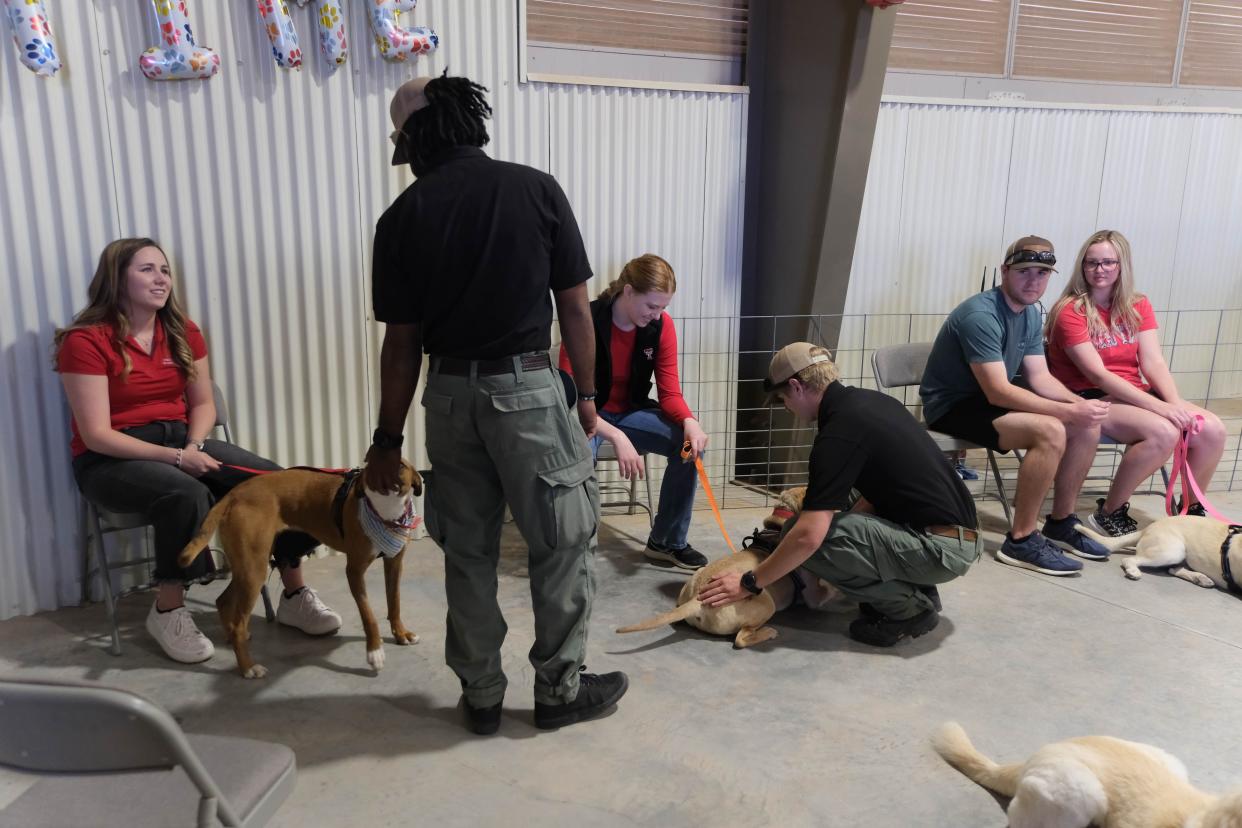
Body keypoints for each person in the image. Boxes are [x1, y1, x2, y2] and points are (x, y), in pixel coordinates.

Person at [363, 74, 627, 736]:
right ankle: (559, 691)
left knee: (469, 550)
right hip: (529, 390)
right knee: (561, 539)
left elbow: (402, 344)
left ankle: (481, 696)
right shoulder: (535, 189)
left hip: (447, 395)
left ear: (416, 139)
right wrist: (588, 398)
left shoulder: (402, 217)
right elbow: (574, 310)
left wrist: (386, 439)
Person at [55, 238, 341, 664]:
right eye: (147, 269)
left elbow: (203, 405)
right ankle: (167, 608)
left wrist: (191, 446)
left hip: (183, 440)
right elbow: (96, 434)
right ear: (116, 278)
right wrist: (176, 460)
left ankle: (294, 593)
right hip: (109, 460)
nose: (161, 279)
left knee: (284, 484)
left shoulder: (183, 332)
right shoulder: (85, 341)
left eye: (165, 270)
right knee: (185, 493)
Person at [698, 343, 982, 647]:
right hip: (956, 535)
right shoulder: (872, 403)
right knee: (831, 510)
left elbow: (808, 537)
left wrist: (749, 582)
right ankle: (914, 584)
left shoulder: (836, 436)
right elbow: (880, 491)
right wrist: (847, 539)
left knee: (803, 533)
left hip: (942, 550)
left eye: (782, 399)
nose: (786, 408)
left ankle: (908, 610)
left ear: (796, 387)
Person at [919, 235, 1111, 576]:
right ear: (1005, 271)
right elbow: (997, 392)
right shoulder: (981, 315)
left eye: (1042, 273)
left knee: (1086, 423)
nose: (1033, 281)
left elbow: (1040, 378)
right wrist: (1066, 412)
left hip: (988, 400)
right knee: (1051, 429)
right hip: (953, 406)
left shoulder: (1031, 313)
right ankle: (1020, 540)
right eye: (1024, 271)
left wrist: (1079, 405)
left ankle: (1060, 522)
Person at [1045, 229, 1226, 534]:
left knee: (1212, 429)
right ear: (1082, 266)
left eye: (1108, 262)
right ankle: (1109, 513)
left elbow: (1153, 362)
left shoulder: (1137, 304)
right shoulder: (1070, 311)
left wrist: (1173, 403)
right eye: (1091, 263)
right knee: (1163, 431)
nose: (1099, 270)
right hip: (1091, 397)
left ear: (1122, 265)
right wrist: (1163, 410)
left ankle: (1191, 512)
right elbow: (1098, 375)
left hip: (1133, 393)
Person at [556, 254, 710, 570]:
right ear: (628, 292)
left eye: (663, 308)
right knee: (578, 454)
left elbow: (669, 392)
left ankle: (666, 542)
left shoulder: (661, 327)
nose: (657, 315)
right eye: (651, 306)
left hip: (631, 412)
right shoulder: (585, 318)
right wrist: (616, 436)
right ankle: (573, 547)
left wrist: (690, 423)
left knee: (688, 447)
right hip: (587, 417)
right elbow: (567, 394)